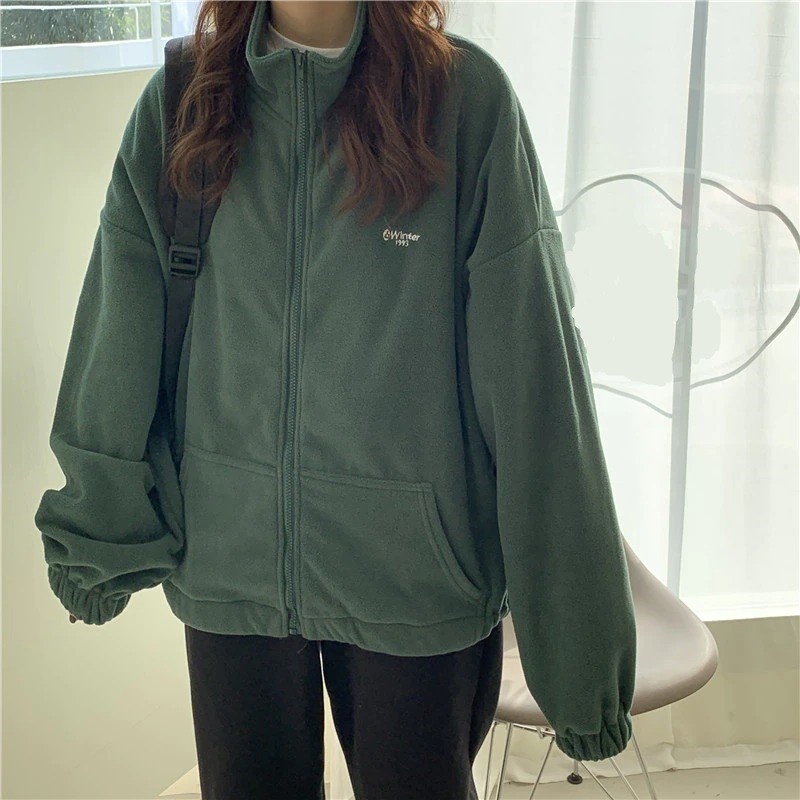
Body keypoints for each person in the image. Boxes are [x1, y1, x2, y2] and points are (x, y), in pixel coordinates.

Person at [34, 1, 638, 798]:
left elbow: (536, 380)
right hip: (229, 565)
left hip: (415, 579)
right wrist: (97, 535)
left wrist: (581, 654)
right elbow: (118, 327)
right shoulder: (185, 98)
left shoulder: (461, 101)